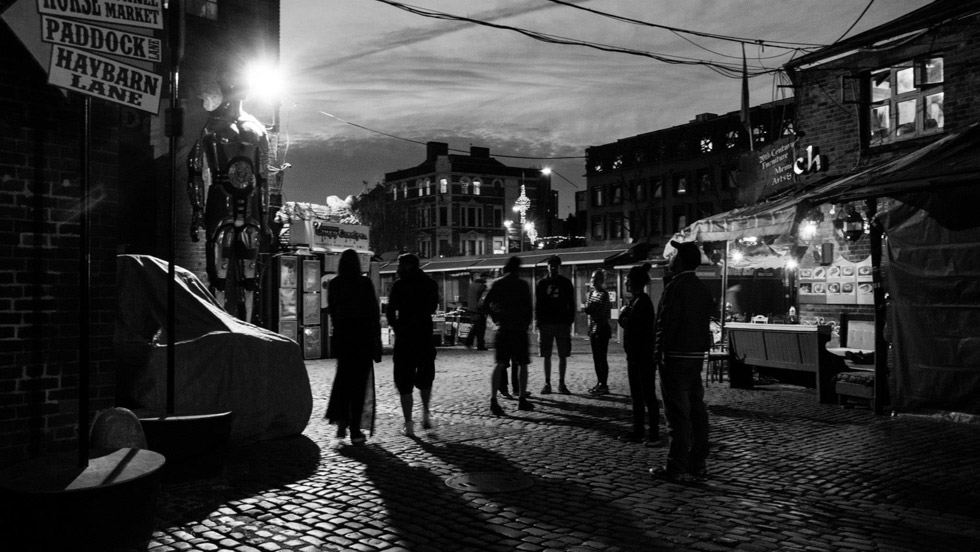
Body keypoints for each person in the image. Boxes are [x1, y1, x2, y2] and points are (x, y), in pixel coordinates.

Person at [650, 241, 715, 483]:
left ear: (681, 260)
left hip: (675, 355)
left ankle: (676, 466)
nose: (670, 258)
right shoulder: (701, 288)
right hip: (695, 356)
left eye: (674, 254)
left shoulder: (675, 287)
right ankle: (697, 462)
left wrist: (658, 352)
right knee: (697, 411)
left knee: (677, 414)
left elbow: (666, 322)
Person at [324, 249, 381, 445]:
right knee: (359, 386)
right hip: (362, 338)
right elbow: (373, 313)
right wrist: (376, 340)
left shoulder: (335, 284)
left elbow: (333, 311)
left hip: (343, 338)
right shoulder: (364, 283)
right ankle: (355, 429)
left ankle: (341, 422)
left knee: (343, 381)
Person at [386, 253, 440, 437]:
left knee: (404, 381)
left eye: (400, 265)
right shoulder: (430, 283)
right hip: (424, 335)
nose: (397, 268)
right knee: (426, 377)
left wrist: (397, 326)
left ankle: (408, 423)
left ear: (407, 266)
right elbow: (433, 307)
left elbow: (391, 310)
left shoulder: (399, 285)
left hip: (405, 338)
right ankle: (425, 412)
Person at [484, 256, 534, 414]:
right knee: (522, 364)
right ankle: (522, 398)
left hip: (504, 328)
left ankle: (493, 400)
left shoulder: (498, 283)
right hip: (519, 329)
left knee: (500, 364)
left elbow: (485, 303)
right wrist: (526, 323)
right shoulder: (522, 285)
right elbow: (528, 308)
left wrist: (495, 316)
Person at [617, 263, 661, 446]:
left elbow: (631, 324)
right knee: (638, 395)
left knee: (646, 394)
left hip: (641, 356)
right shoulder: (637, 301)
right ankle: (639, 429)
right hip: (636, 355)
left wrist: (623, 315)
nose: (625, 282)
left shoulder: (642, 303)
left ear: (633, 282)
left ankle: (651, 432)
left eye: (627, 280)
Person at [535, 255, 575, 394]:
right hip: (547, 322)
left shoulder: (565, 283)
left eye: (555, 265)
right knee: (547, 354)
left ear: (559, 267)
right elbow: (538, 304)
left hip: (561, 322)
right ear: (547, 266)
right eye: (551, 265)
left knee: (562, 354)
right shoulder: (542, 284)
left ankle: (561, 383)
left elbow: (571, 303)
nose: (553, 268)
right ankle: (548, 382)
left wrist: (569, 320)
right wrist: (538, 321)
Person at [584, 269, 612, 395]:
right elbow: (588, 308)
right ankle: (599, 382)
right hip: (593, 329)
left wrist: (591, 309)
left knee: (602, 357)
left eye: (596, 278)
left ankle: (603, 384)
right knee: (596, 358)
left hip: (602, 329)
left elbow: (600, 311)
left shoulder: (604, 294)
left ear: (601, 280)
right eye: (592, 278)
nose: (593, 280)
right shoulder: (591, 293)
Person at [463, 273, 489, 350]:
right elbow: (483, 299)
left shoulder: (472, 285)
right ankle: (480, 345)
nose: (486, 279)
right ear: (482, 277)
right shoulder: (482, 286)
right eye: (486, 278)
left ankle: (468, 342)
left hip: (472, 309)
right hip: (479, 310)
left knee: (476, 326)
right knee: (481, 328)